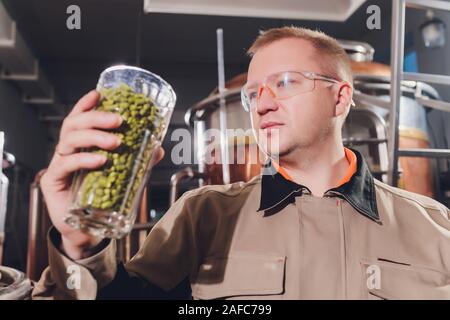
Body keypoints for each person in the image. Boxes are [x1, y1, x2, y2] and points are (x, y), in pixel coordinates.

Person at [32, 27, 450, 300]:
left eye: (285, 83)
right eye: (252, 94)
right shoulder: (202, 216)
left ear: (340, 98)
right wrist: (80, 246)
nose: (262, 104)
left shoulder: (435, 228)